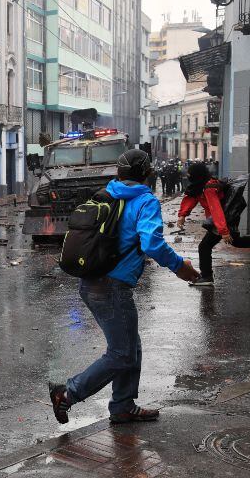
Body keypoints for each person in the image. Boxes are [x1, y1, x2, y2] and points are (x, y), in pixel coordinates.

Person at [49, 150, 200, 425]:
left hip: (91, 282)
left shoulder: (106, 193)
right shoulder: (144, 201)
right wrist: (181, 267)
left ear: (118, 173)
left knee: (131, 346)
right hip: (112, 288)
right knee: (121, 353)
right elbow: (152, 244)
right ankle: (67, 394)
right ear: (147, 174)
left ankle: (122, 405)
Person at [177, 163, 250, 287]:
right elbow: (191, 198)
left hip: (224, 219)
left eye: (190, 175)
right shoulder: (199, 185)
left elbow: (216, 209)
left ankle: (207, 276)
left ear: (197, 175)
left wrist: (223, 231)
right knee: (237, 242)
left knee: (204, 246)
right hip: (222, 220)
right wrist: (182, 215)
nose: (188, 176)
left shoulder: (209, 187)